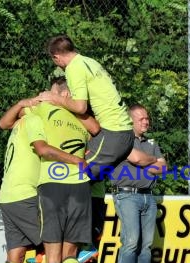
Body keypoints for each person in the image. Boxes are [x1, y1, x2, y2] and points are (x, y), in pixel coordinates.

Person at [28, 76, 94, 263]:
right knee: (71, 254)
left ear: (55, 93)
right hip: (80, 187)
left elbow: (7, 121)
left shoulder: (42, 107)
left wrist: (40, 99)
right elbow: (99, 130)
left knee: (51, 256)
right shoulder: (81, 120)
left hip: (52, 187)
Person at [0, 97, 55, 263]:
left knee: (16, 255)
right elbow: (43, 149)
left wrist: (21, 103)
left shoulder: (22, 120)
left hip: (8, 195)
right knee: (51, 246)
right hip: (24, 194)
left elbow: (3, 123)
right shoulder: (34, 120)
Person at [40, 34, 134, 178]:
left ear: (56, 57)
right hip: (125, 133)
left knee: (75, 175)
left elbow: (80, 107)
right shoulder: (89, 62)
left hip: (113, 132)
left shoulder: (73, 68)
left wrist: (55, 98)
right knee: (83, 177)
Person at [109, 104, 165, 263]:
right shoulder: (122, 140)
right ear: (130, 120)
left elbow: (163, 167)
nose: (146, 122)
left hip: (148, 197)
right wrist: (149, 161)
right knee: (132, 241)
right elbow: (138, 159)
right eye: (141, 119)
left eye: (147, 118)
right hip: (126, 195)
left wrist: (142, 161)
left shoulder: (151, 142)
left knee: (147, 244)